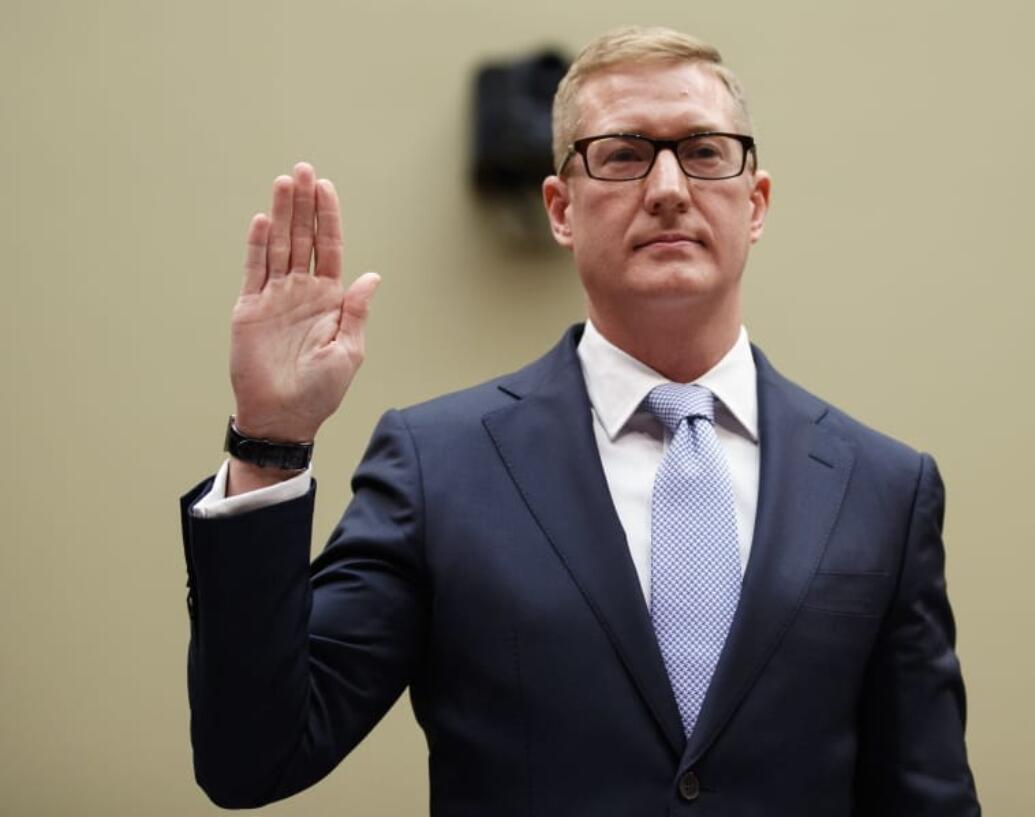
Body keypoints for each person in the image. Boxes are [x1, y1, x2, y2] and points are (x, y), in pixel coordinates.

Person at [181, 25, 980, 816]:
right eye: (623, 155)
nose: (668, 186)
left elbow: (926, 796)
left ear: (756, 201)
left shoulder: (883, 486)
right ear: (561, 209)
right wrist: (270, 440)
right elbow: (254, 756)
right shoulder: (440, 466)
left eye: (704, 152)